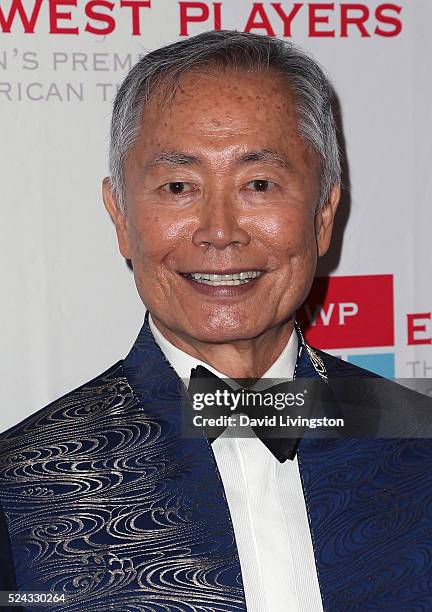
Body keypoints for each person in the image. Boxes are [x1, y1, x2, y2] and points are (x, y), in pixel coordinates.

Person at [0, 30, 431, 612]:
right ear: (121, 218)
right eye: (179, 187)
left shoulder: (418, 443)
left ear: (324, 214)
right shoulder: (20, 485)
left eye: (258, 184)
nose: (220, 229)